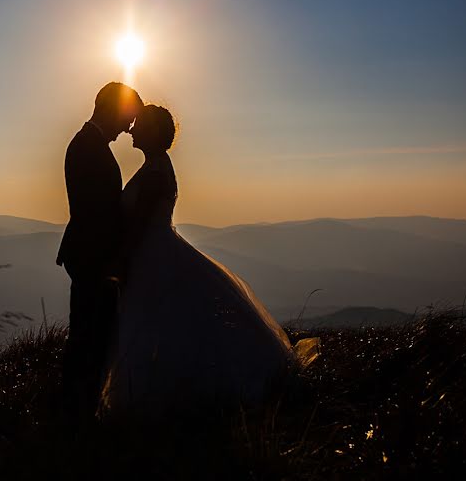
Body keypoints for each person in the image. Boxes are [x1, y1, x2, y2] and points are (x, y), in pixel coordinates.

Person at [100, 105, 312, 416]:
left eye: (138, 125)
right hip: (157, 252)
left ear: (153, 131)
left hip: (151, 255)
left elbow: (138, 226)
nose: (131, 130)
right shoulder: (157, 166)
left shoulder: (156, 172)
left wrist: (120, 262)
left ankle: (155, 397)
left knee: (158, 323)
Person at [57, 81, 144, 419]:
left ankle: (80, 405)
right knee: (86, 335)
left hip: (91, 254)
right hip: (93, 257)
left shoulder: (88, 144)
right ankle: (77, 410)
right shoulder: (86, 147)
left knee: (89, 333)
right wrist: (114, 259)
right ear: (113, 110)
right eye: (128, 118)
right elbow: (94, 213)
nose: (129, 128)